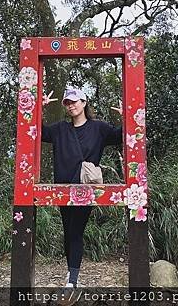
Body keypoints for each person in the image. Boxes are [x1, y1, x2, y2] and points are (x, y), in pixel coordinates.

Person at [41, 87, 123, 289]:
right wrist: (37, 108)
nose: (71, 105)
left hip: (85, 189)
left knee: (76, 231)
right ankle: (72, 273)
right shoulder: (60, 129)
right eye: (67, 103)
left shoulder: (99, 128)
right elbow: (37, 132)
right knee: (68, 231)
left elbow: (121, 136)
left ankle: (73, 281)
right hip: (63, 188)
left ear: (84, 103)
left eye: (74, 101)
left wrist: (128, 116)